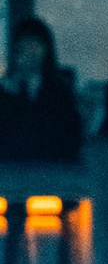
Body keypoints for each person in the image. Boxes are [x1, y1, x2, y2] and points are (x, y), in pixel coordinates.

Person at [0, 17, 84, 161]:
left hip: (52, 167)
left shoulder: (60, 91)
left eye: (36, 44)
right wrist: (10, 95)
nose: (30, 51)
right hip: (12, 170)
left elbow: (69, 135)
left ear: (46, 49)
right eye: (24, 44)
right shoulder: (6, 89)